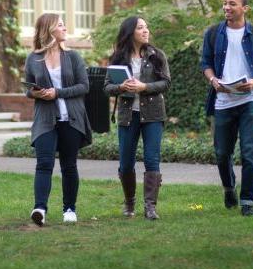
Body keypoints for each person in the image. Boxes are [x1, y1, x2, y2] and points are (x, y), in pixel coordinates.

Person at [201, 0, 253, 216]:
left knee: (249, 152)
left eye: (232, 4)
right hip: (223, 101)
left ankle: (248, 201)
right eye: (225, 3)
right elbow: (206, 63)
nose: (227, 7)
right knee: (222, 153)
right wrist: (212, 79)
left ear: (244, 8)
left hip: (249, 101)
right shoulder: (213, 34)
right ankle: (229, 188)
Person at [24, 13, 92, 226]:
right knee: (43, 164)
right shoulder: (33, 58)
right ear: (49, 30)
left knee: (69, 165)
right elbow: (27, 87)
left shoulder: (73, 57)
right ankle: (40, 209)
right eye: (60, 25)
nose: (65, 28)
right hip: (45, 119)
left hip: (71, 118)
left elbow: (84, 86)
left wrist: (57, 93)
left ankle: (69, 209)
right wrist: (35, 93)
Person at [103, 16, 171, 220]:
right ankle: (129, 202)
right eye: (140, 28)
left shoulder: (157, 55)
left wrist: (144, 87)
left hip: (153, 115)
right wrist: (121, 87)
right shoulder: (117, 58)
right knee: (125, 163)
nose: (145, 31)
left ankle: (150, 207)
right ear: (130, 32)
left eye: (146, 27)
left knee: (152, 160)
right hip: (127, 115)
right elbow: (107, 87)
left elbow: (166, 83)